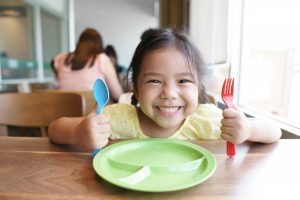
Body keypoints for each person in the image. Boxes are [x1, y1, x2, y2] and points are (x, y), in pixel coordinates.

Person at [48, 28, 282, 151]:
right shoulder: (116, 118)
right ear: (136, 89)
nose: (169, 93)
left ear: (198, 88)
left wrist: (248, 129)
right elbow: (55, 129)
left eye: (183, 81)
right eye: (154, 81)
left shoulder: (209, 120)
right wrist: (79, 132)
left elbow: (275, 131)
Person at [51, 28, 123, 102]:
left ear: (79, 43)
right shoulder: (101, 59)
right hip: (94, 112)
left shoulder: (61, 59)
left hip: (63, 111)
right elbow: (117, 94)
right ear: (99, 45)